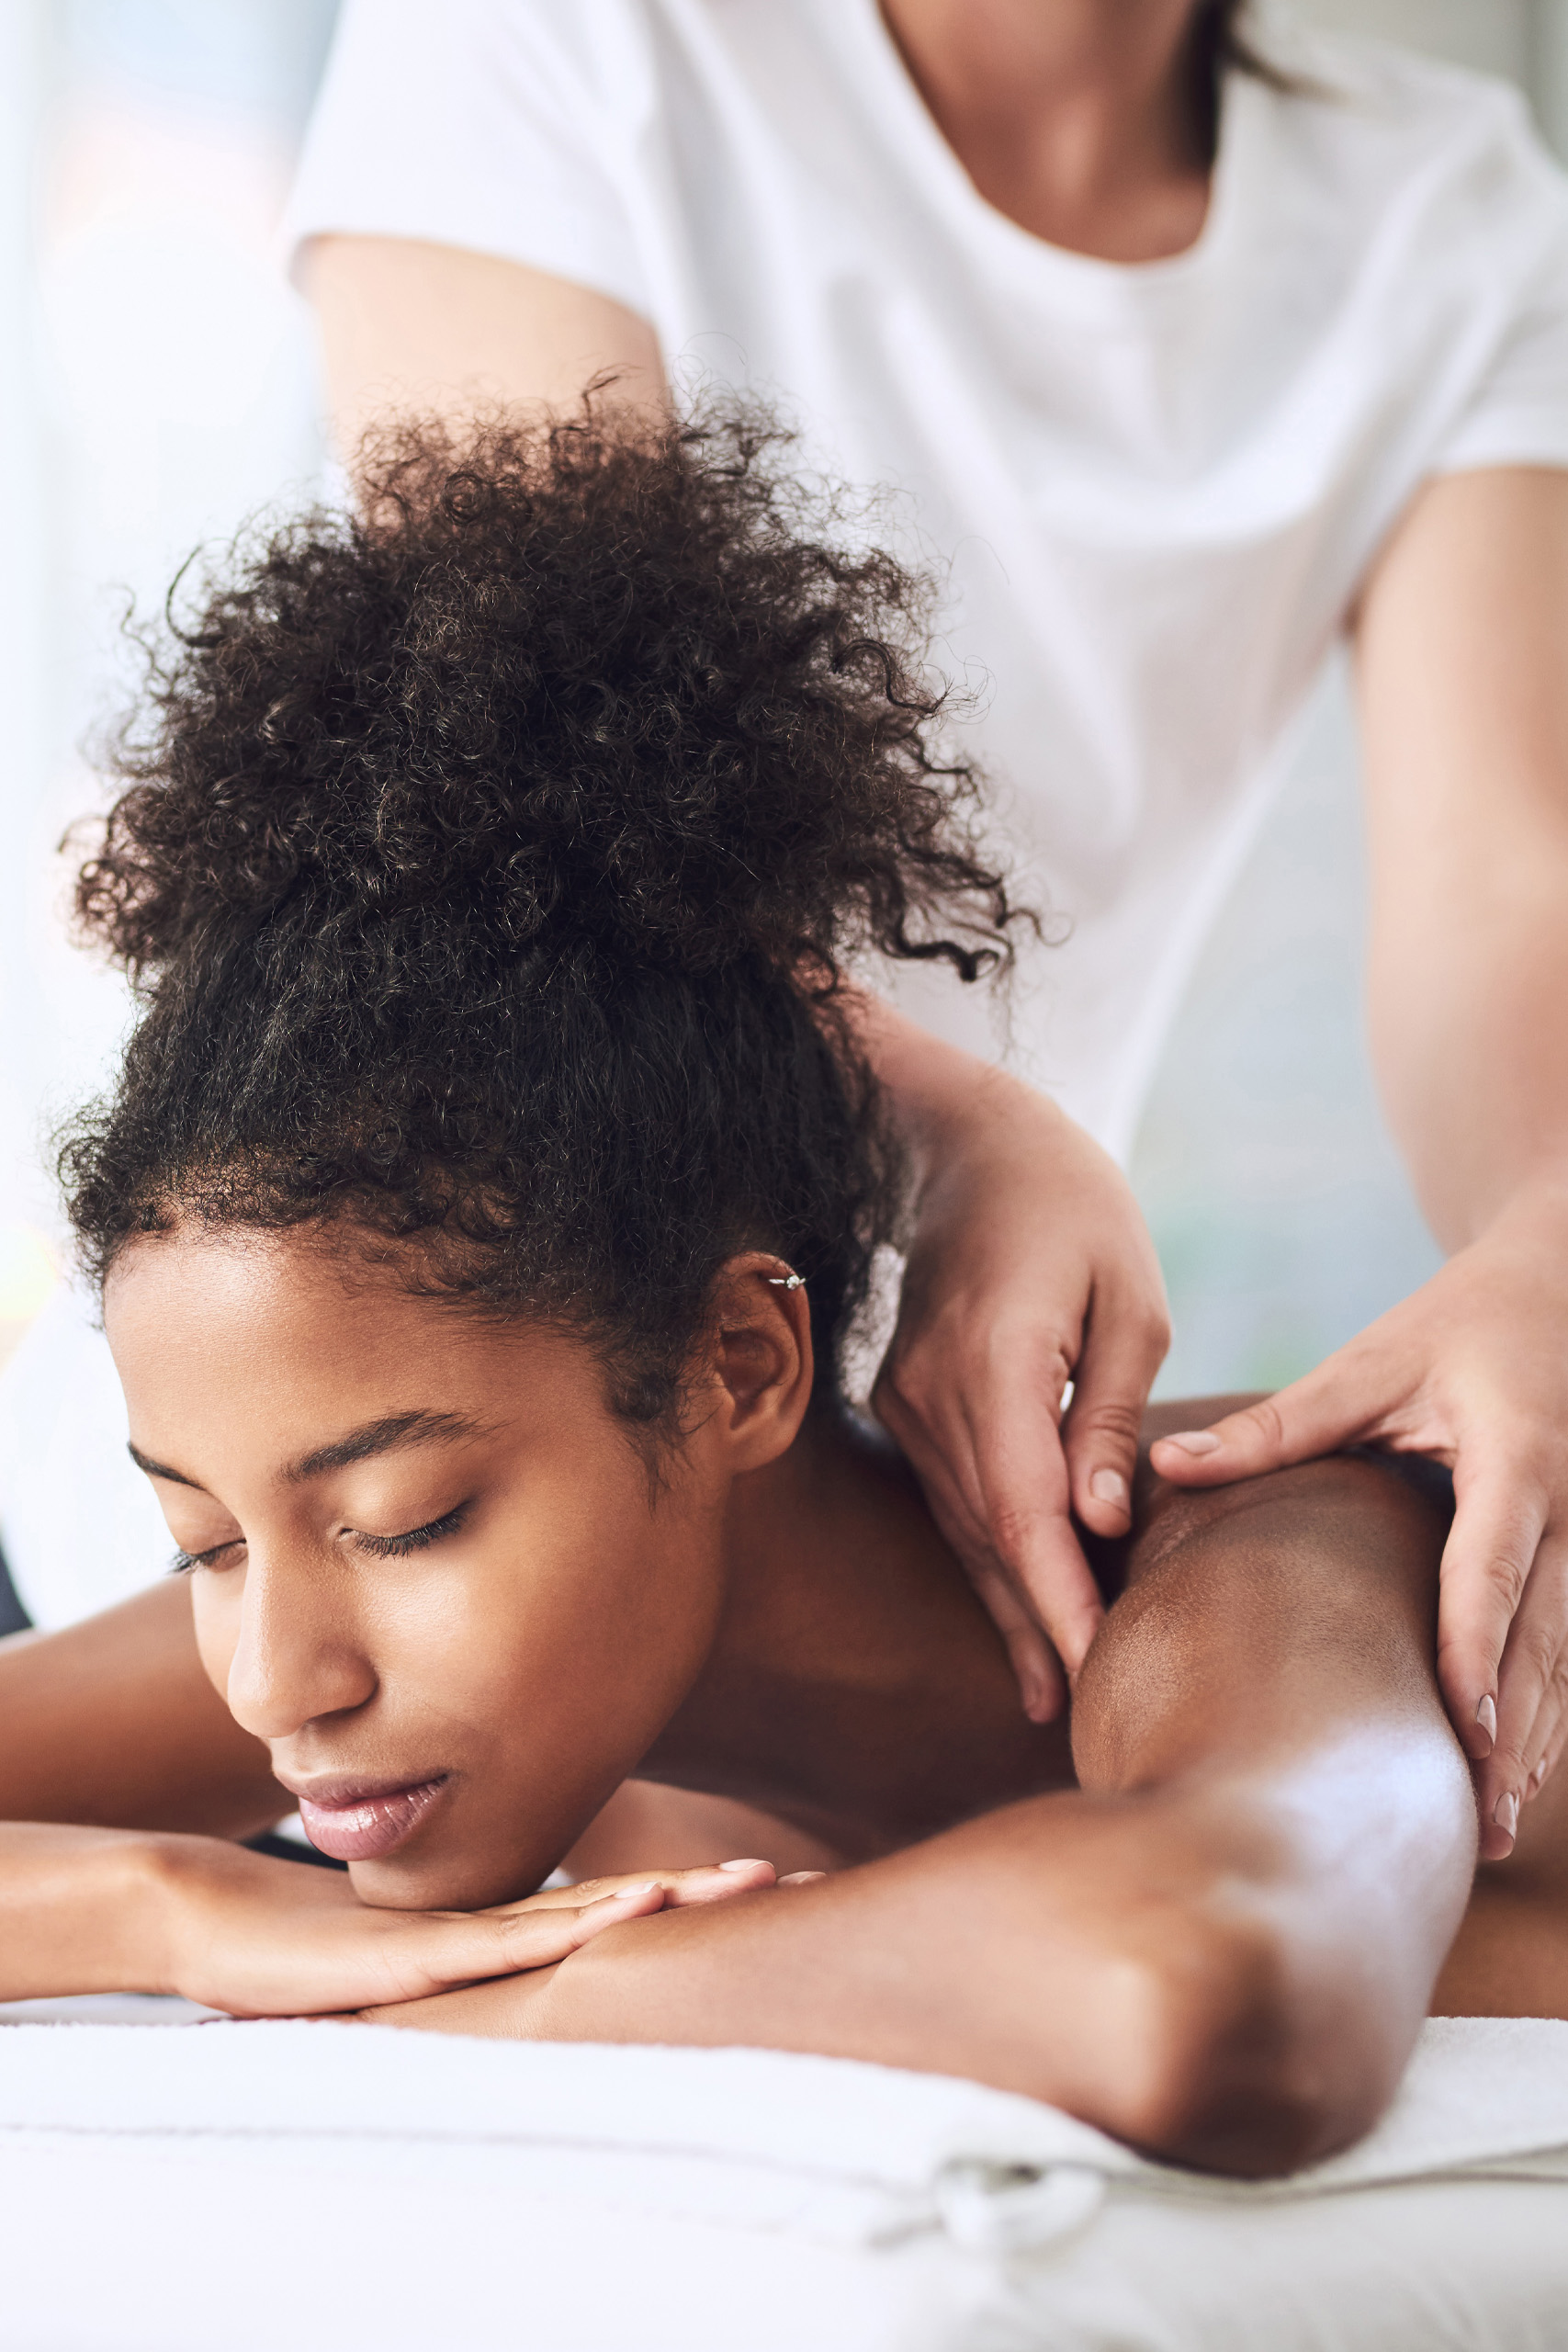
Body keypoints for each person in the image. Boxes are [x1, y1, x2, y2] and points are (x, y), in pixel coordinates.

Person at [1, 420, 1562, 2178]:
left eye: (408, 1522)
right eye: (202, 1543)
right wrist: (175, 1907)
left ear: (741, 1363)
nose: (274, 1683)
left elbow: (1228, 1980)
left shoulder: (1263, 1556)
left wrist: (470, 1990)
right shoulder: (438, 1651)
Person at [272, 0, 1568, 1858]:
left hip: (889, 1480)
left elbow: (1496, 873)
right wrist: (932, 1134)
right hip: (363, 1441)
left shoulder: (1448, 221)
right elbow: (541, 767)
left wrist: (1538, 1233)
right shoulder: (555, 41)